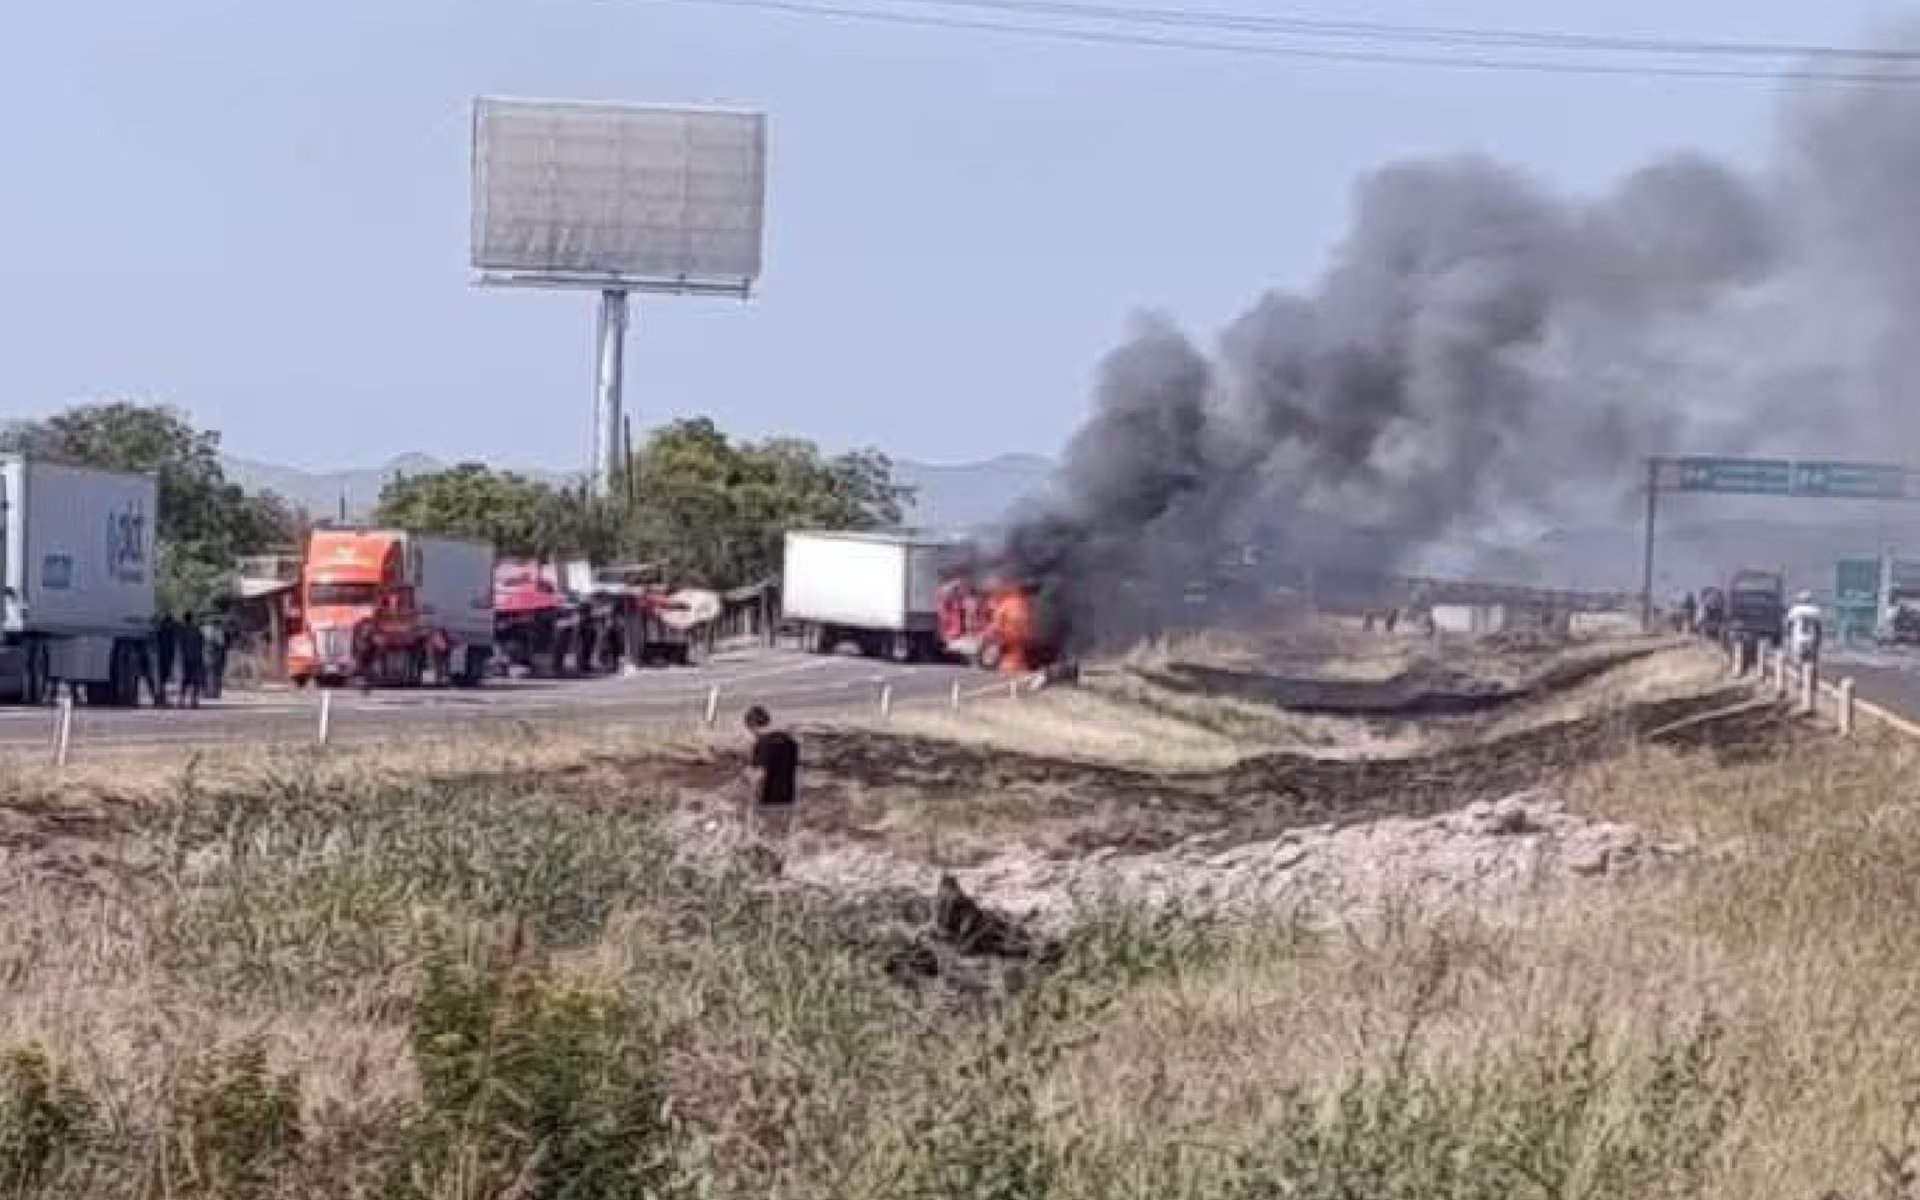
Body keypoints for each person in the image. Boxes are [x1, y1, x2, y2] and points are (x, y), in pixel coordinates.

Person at [743, 705, 800, 840]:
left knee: (766, 839)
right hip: (788, 799)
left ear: (752, 725)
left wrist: (746, 775)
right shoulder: (790, 741)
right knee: (783, 838)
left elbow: (759, 776)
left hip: (769, 801)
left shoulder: (762, 743)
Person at [1786, 590, 1824, 666]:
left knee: (1798, 660)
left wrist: (1789, 638)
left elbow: (1789, 625)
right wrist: (1818, 640)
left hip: (1797, 637)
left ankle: (1800, 674)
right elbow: (1818, 627)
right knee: (1811, 659)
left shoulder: (1794, 610)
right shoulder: (1815, 610)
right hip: (1811, 637)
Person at [176, 612, 206, 709]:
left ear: (184, 619)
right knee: (195, 680)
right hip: (196, 657)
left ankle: (181, 701)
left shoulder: (182, 630)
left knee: (185, 680)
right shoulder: (196, 629)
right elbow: (202, 643)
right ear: (192, 618)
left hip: (186, 658)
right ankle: (194, 701)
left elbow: (180, 643)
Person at [200, 611, 229, 700]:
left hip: (206, 656)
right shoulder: (218, 632)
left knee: (208, 675)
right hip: (213, 656)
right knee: (214, 675)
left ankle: (208, 693)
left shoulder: (203, 630)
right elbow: (221, 646)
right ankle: (214, 693)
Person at [151, 612, 177, 708]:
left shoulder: (164, 632)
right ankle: (160, 700)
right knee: (160, 680)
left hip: (165, 658)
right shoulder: (164, 633)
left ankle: (160, 699)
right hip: (162, 659)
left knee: (162, 680)